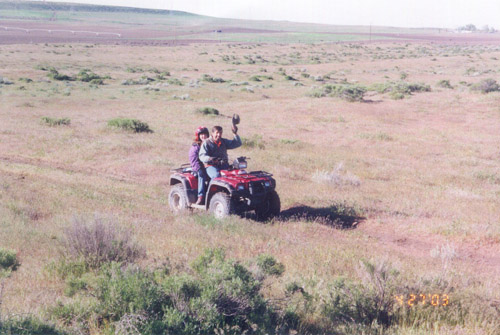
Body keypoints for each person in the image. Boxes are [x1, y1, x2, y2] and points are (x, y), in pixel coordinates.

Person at [189, 126, 210, 205]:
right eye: (201, 134)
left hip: (208, 166)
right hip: (198, 167)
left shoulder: (209, 144)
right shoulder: (195, 146)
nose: (203, 136)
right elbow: (193, 160)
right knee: (202, 175)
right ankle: (200, 196)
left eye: (205, 134)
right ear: (198, 135)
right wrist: (199, 169)